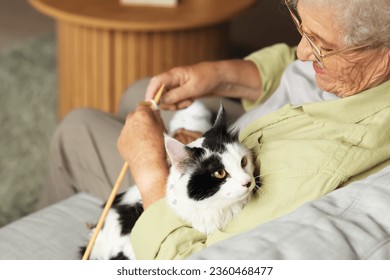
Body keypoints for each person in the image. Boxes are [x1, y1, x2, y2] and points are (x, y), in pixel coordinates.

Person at [40, 0, 390, 259]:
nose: (301, 52)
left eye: (319, 45)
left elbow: (189, 261)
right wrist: (219, 75)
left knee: (78, 129)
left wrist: (149, 166)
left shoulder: (321, 164)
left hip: (197, 198)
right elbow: (294, 68)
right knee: (139, 93)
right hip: (235, 137)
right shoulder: (362, 68)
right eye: (301, 28)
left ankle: (57, 245)